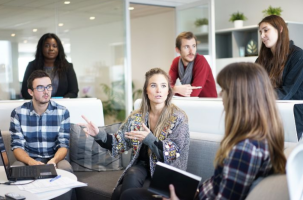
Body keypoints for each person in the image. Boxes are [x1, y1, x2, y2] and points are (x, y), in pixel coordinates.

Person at [123, 63, 287, 200]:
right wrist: (195, 191)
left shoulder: (245, 150)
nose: (221, 95)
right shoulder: (260, 139)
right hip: (198, 194)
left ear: (240, 97)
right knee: (128, 191)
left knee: (129, 196)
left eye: (224, 90)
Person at [80, 68, 190, 200]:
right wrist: (98, 134)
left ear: (168, 91)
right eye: (153, 85)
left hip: (167, 171)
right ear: (146, 91)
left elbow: (173, 153)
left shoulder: (178, 117)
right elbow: (118, 142)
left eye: (163, 86)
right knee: (131, 173)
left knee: (119, 193)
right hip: (142, 167)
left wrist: (149, 139)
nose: (159, 90)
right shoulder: (137, 117)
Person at [10, 70, 72, 172]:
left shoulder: (62, 112)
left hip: (54, 159)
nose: (46, 91)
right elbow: (17, 146)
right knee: (16, 169)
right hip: (28, 161)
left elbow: (63, 144)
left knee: (66, 168)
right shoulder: (17, 113)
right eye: (40, 87)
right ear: (30, 92)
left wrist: (54, 160)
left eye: (48, 86)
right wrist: (31, 162)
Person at [256, 15, 303, 140]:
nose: (262, 36)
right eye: (260, 32)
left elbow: (286, 92)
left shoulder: (298, 56)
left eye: (266, 30)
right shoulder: (261, 60)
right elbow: (253, 86)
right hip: (267, 113)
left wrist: (256, 96)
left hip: (292, 117)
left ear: (280, 29)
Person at [21, 33, 79, 99]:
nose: (51, 49)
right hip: (38, 107)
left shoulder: (67, 67)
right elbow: (25, 92)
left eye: (54, 46)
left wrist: (61, 101)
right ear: (41, 48)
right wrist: (41, 101)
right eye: (47, 46)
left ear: (59, 49)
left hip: (61, 106)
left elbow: (73, 92)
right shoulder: (32, 66)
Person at [168, 31, 217, 97]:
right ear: (178, 50)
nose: (191, 51)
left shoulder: (200, 60)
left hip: (208, 103)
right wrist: (175, 89)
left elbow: (193, 93)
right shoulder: (176, 62)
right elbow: (166, 86)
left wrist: (173, 90)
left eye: (193, 46)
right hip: (190, 103)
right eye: (186, 47)